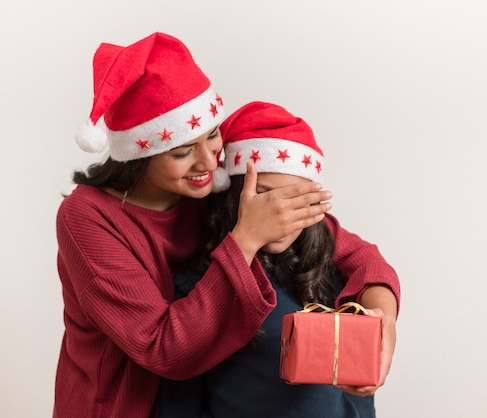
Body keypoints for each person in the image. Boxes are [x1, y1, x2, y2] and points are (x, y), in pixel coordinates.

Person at [54, 32, 400, 418]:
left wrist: (382, 323)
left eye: (213, 135)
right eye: (183, 151)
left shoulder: (213, 190)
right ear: (139, 154)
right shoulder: (87, 218)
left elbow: (356, 254)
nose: (208, 162)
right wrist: (246, 239)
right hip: (121, 407)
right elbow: (162, 349)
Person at [158, 101, 399, 418]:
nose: (281, 213)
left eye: (296, 199)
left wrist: (385, 322)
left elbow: (369, 260)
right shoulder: (199, 290)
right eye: (265, 195)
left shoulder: (334, 270)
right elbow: (180, 400)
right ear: (233, 193)